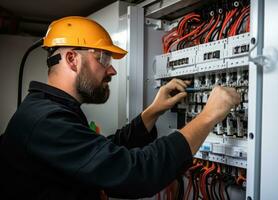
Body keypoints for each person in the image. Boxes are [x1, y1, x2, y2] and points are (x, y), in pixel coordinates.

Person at [0, 16, 240, 200]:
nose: (112, 70)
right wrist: (209, 115)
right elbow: (136, 173)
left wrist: (152, 112)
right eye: (103, 59)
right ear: (72, 59)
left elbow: (103, 154)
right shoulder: (46, 121)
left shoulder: (47, 111)